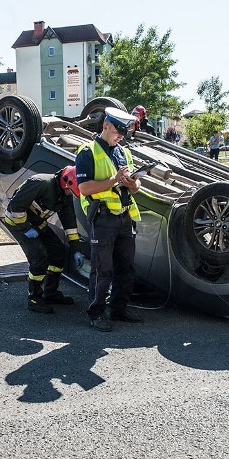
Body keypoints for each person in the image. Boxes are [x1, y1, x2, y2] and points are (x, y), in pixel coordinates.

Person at [75, 107, 143, 332]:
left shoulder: (124, 152)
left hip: (124, 217)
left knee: (126, 267)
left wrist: (132, 183)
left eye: (124, 133)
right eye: (118, 132)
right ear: (106, 126)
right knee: (102, 269)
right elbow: (85, 188)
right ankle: (96, 314)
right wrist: (114, 179)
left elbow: (134, 187)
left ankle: (119, 309)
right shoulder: (87, 152)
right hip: (103, 218)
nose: (121, 136)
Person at [4, 167, 82, 314]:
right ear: (66, 184)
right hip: (17, 223)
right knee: (39, 258)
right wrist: (26, 228)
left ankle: (51, 293)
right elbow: (16, 206)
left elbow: (69, 224)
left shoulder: (64, 195)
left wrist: (76, 249)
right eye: (71, 191)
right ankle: (34, 298)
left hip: (37, 224)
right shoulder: (40, 182)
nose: (71, 195)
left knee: (58, 251)